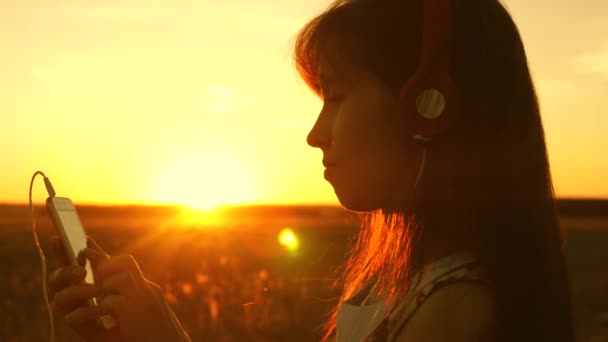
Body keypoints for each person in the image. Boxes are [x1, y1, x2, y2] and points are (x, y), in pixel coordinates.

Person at [47, 0, 576, 341]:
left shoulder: (459, 311)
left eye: (337, 97)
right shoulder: (400, 284)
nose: (316, 133)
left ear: (428, 107)